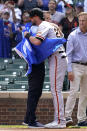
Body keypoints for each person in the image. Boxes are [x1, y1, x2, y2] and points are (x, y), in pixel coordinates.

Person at [24, 8, 67, 128]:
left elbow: (37, 42)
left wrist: (27, 35)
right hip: (59, 56)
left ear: (36, 17)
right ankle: (59, 119)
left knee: (56, 90)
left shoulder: (43, 25)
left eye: (31, 18)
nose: (31, 20)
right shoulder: (52, 24)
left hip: (57, 57)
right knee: (56, 90)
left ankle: (60, 121)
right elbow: (60, 36)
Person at [65, 12, 87, 127]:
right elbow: (68, 54)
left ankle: (82, 119)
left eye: (84, 20)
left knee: (85, 94)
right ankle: (67, 117)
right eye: (81, 20)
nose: (82, 22)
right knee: (73, 92)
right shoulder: (73, 35)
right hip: (75, 66)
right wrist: (69, 70)